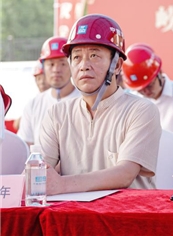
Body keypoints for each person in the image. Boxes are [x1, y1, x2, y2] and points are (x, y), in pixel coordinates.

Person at [39, 14, 162, 195]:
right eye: (77, 57)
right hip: (73, 212)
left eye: (94, 55)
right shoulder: (57, 113)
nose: (84, 65)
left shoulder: (141, 110)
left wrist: (61, 185)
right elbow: (39, 171)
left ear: (117, 65)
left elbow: (125, 174)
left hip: (127, 211)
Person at [122, 44, 173, 161]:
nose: (146, 92)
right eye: (141, 90)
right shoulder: (131, 98)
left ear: (159, 73)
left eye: (149, 86)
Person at [18, 37, 81, 146]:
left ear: (72, 65)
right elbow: (24, 146)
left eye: (62, 64)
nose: (56, 70)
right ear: (43, 67)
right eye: (51, 64)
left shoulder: (86, 101)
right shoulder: (33, 104)